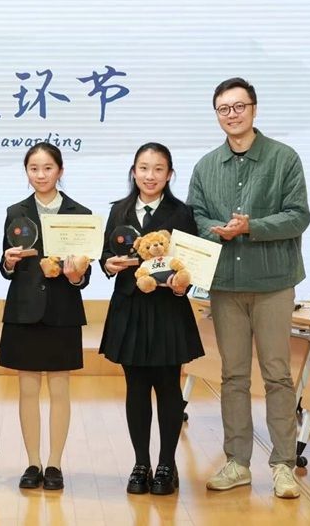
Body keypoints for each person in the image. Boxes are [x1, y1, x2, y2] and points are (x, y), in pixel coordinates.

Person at [187, 78, 310, 499]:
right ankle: (237, 462)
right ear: (217, 115)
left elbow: (298, 216)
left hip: (273, 283)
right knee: (233, 376)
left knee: (277, 375)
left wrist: (251, 227)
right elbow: (195, 216)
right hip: (225, 285)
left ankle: (284, 466)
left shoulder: (283, 158)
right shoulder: (206, 166)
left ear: (254, 109)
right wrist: (216, 229)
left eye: (239, 106)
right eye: (224, 108)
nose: (232, 114)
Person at [99, 142, 204, 495]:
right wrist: (108, 264)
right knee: (136, 388)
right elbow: (106, 254)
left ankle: (166, 465)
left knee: (169, 387)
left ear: (170, 174)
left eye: (158, 169)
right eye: (143, 168)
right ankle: (140, 463)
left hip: (167, 310)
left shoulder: (182, 213)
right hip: (130, 308)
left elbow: (192, 264)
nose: (150, 175)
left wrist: (182, 285)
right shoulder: (119, 210)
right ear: (133, 172)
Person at [0, 142, 91, 491]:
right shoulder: (15, 211)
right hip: (24, 310)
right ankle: (33, 462)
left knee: (60, 389)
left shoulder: (80, 213)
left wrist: (76, 275)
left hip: (62, 310)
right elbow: (6, 267)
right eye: (34, 168)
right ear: (26, 172)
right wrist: (8, 263)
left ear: (60, 171)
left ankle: (54, 463)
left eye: (48, 168)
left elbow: (84, 275)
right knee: (27, 390)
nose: (41, 175)